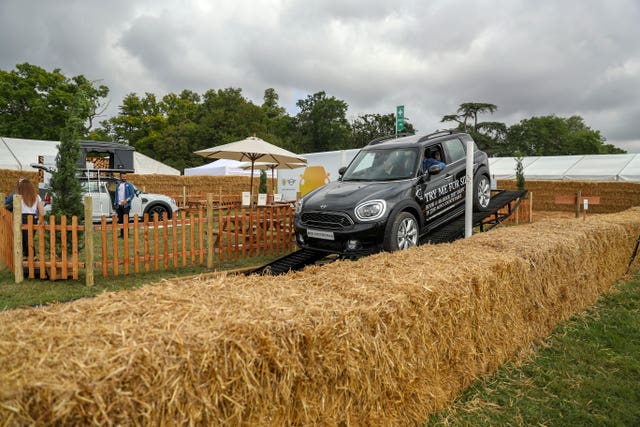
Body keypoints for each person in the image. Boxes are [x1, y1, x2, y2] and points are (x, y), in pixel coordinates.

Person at [13, 179, 44, 257]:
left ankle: (32, 256)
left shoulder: (18, 196)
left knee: (23, 240)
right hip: (33, 218)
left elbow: (15, 209)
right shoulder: (36, 196)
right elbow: (41, 211)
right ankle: (28, 256)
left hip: (21, 218)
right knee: (29, 239)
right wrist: (40, 220)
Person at [114, 172, 135, 237]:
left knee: (125, 220)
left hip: (126, 205)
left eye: (125, 177)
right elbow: (116, 195)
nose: (124, 178)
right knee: (120, 220)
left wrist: (126, 201)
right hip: (119, 205)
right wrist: (115, 204)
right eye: (123, 177)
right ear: (120, 177)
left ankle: (126, 234)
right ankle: (122, 234)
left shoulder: (129, 185)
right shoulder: (118, 185)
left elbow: (132, 195)